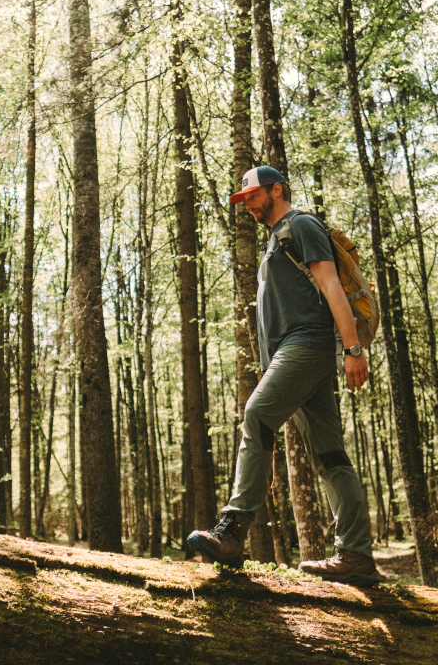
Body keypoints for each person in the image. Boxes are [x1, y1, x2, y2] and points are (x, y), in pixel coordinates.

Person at [185, 165, 380, 587]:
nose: (248, 206)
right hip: (296, 354)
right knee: (329, 454)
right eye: (243, 200)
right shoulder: (275, 241)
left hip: (306, 346)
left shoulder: (301, 225)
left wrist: (353, 349)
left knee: (257, 416)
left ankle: (233, 531)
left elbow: (330, 285)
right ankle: (356, 555)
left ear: (276, 190)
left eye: (253, 196)